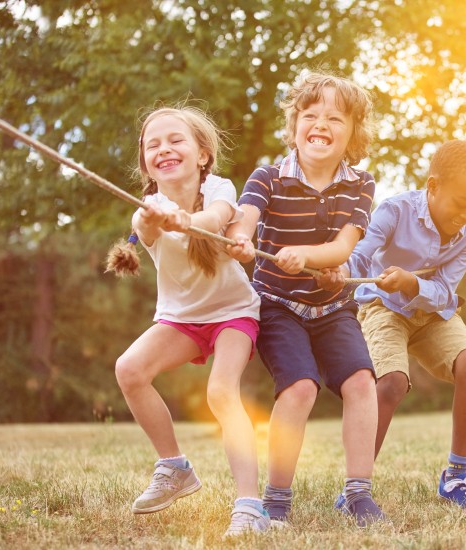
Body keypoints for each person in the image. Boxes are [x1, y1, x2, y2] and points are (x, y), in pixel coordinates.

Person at [225, 71, 384, 527]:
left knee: (361, 383)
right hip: (277, 305)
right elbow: (245, 217)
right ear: (294, 124)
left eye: (335, 118)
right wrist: (240, 237)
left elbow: (342, 247)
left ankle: (358, 493)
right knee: (300, 388)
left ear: (353, 133)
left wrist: (307, 255)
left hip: (333, 308)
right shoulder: (268, 177)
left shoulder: (361, 184)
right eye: (310, 115)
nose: (321, 125)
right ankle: (277, 498)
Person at [106, 105, 269, 536]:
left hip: (233, 312)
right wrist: (159, 220)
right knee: (129, 369)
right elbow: (145, 227)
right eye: (153, 145)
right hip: (182, 319)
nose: (163, 149)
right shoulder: (147, 209)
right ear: (146, 163)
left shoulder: (219, 188)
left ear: (202, 154)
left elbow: (215, 218)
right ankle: (174, 467)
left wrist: (187, 221)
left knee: (221, 392)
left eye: (175, 140)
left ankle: (250, 506)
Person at [322, 140, 466, 509]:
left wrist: (411, 283)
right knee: (392, 382)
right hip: (382, 308)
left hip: (433, 313)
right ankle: (355, 488)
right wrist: (340, 271)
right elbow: (361, 253)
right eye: (460, 203)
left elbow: (444, 291)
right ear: (433, 186)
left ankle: (456, 475)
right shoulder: (394, 210)